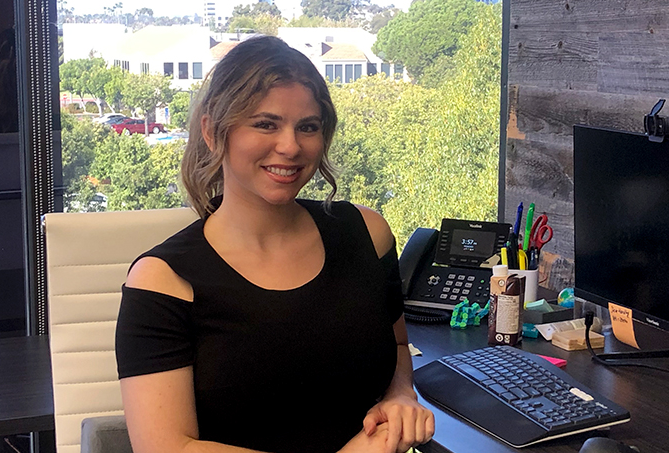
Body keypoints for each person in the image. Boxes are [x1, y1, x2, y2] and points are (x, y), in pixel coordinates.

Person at [115, 36, 434, 453]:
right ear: (213, 131)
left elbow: (395, 345)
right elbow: (166, 446)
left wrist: (399, 397)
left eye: (308, 127)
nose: (290, 146)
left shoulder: (367, 235)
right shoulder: (163, 280)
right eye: (265, 124)